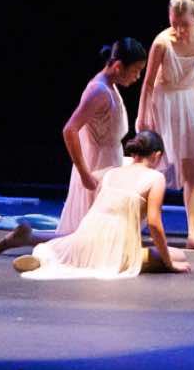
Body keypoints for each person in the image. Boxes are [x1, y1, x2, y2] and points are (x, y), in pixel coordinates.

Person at [13, 131, 191, 278]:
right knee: (178, 255)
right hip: (116, 247)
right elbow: (154, 223)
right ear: (157, 155)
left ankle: (51, 260)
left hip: (84, 238)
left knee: (67, 250)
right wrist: (169, 263)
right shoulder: (156, 178)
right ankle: (110, 259)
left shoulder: (112, 173)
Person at [135, 0, 194, 250]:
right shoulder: (162, 42)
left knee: (192, 168)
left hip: (192, 104)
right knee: (152, 165)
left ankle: (193, 233)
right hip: (164, 104)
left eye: (185, 24)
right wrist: (142, 115)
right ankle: (139, 226)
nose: (180, 31)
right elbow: (148, 83)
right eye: (174, 24)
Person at [44, 37, 146, 240]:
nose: (137, 77)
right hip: (97, 166)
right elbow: (70, 130)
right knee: (84, 236)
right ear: (118, 66)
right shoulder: (99, 91)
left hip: (108, 161)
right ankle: (28, 237)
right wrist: (84, 174)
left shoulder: (109, 86)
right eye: (135, 70)